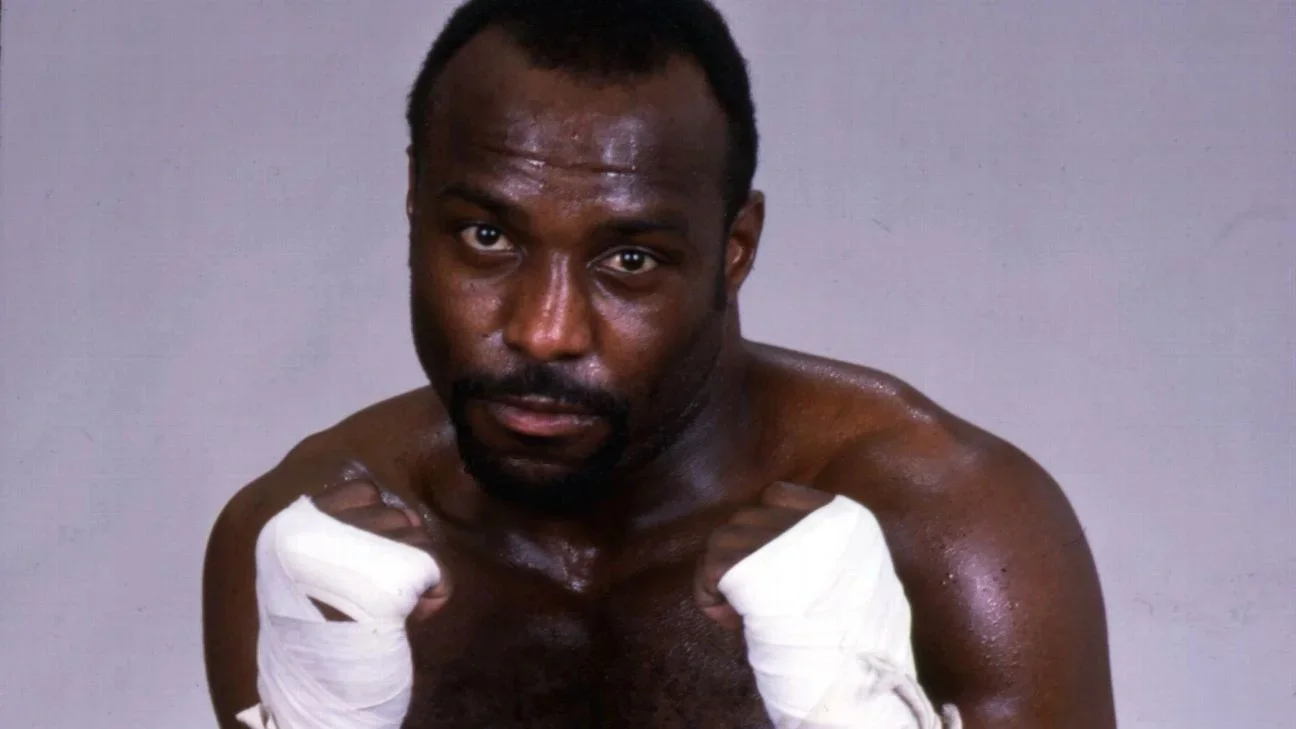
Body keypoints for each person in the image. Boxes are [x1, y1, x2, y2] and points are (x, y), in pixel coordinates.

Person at [202, 1, 1116, 727]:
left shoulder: (949, 521)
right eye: (486, 237)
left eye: (630, 260)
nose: (545, 330)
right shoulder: (312, 547)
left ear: (734, 248)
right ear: (413, 202)